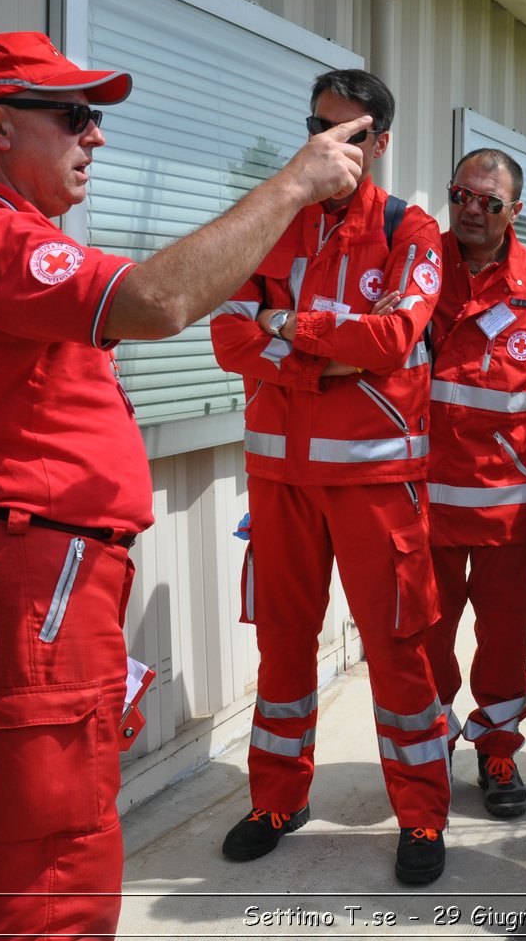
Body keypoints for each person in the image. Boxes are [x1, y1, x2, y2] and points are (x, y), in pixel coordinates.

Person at [0, 31, 367, 939]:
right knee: (60, 844)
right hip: (36, 572)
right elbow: (158, 302)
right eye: (73, 117)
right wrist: (296, 181)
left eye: (96, 117)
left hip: (10, 566)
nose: (95, 137)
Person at [208, 69, 451, 883]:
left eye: (348, 132)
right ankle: (278, 797)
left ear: (379, 141)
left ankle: (421, 815)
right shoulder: (272, 216)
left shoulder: (412, 230)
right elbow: (229, 334)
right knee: (281, 645)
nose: (329, 142)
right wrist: (325, 352)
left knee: (397, 649)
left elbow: (391, 340)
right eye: (318, 125)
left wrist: (285, 325)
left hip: (377, 483)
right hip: (279, 480)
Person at [423, 147, 526, 817]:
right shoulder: (414, 270)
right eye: (461, 194)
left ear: (516, 210)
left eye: (488, 201)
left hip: (505, 516)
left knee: (503, 643)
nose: (471, 210)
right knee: (424, 640)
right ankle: (427, 749)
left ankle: (497, 748)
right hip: (421, 510)